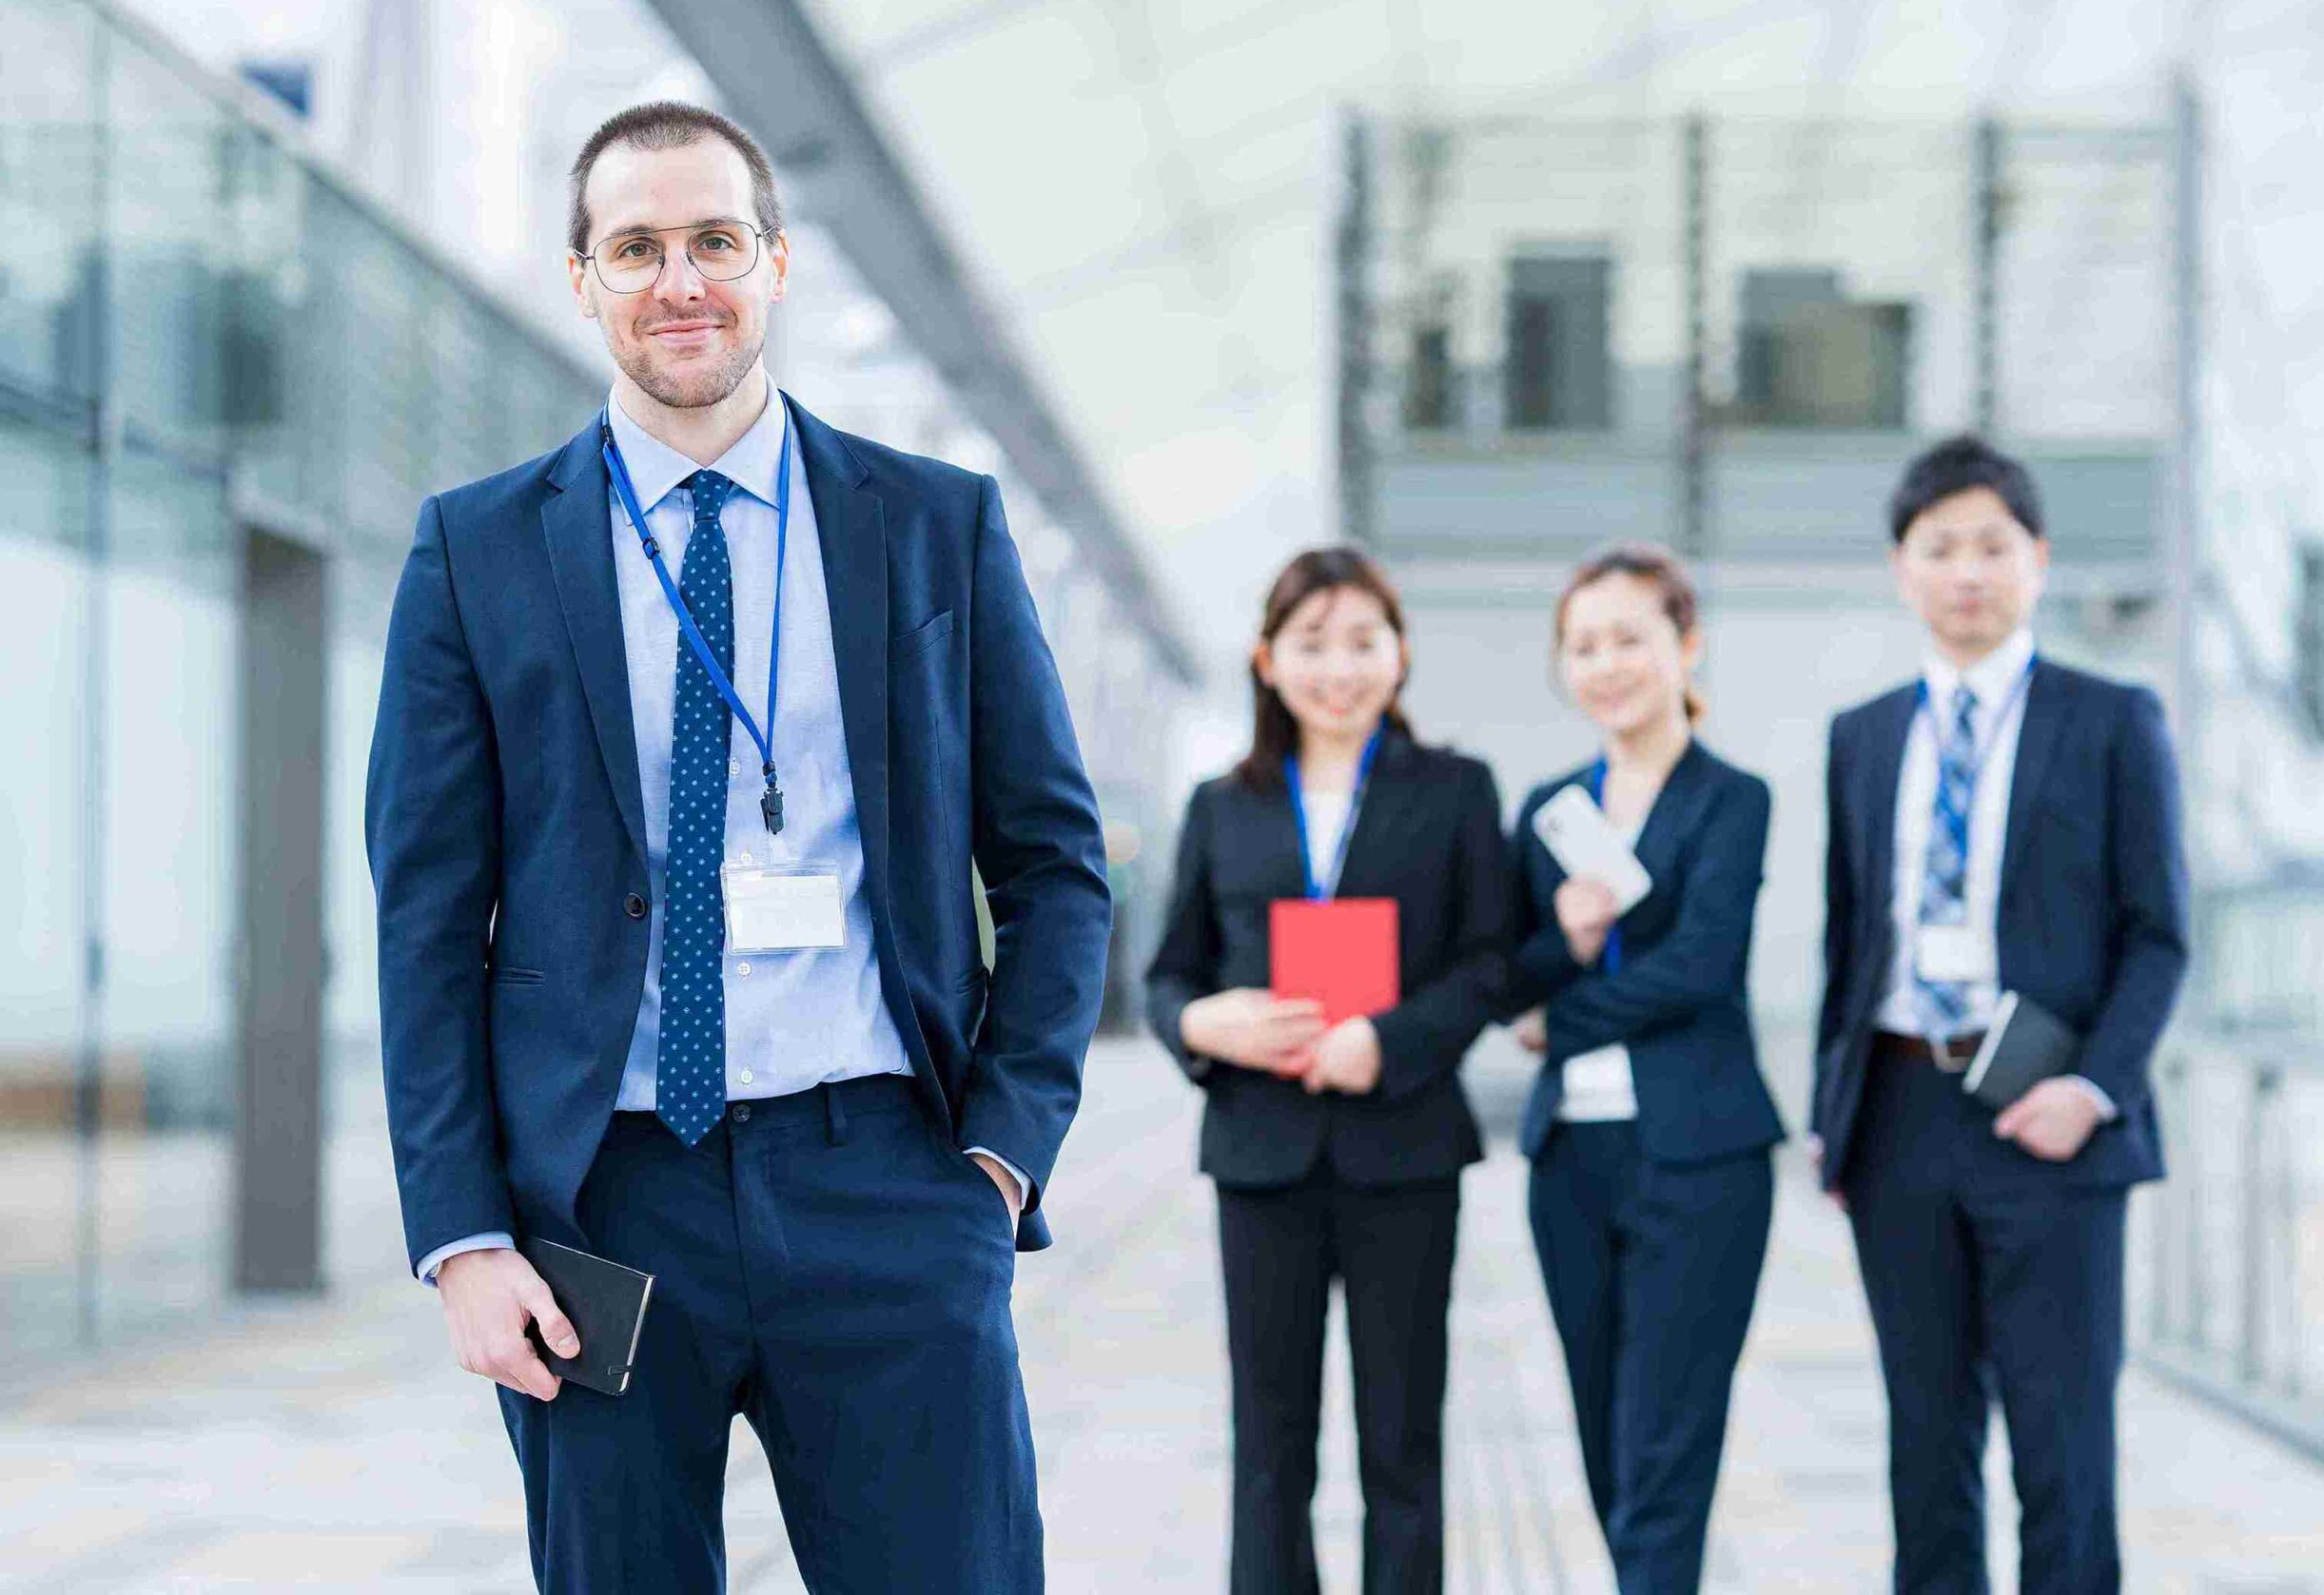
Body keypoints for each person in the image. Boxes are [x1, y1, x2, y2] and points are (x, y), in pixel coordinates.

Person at [364, 102, 1108, 1594]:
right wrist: (462, 1234)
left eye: (714, 240)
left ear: (776, 264)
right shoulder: (479, 548)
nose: (679, 281)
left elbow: (1054, 865)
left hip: (889, 1178)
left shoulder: (932, 527)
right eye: (635, 247)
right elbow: (428, 919)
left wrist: (1001, 1158)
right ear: (583, 279)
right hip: (607, 1199)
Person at [1810, 436, 2188, 1595]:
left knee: (2059, 1441)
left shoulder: (2113, 719)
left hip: (2052, 1108)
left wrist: (2091, 1090)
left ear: (2037, 561)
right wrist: (1836, 1119)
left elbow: (2157, 935)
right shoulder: (1863, 735)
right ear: (1901, 568)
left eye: (1990, 547)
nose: (1965, 572)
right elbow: (1848, 936)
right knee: (1925, 1442)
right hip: (1900, 1112)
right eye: (1939, 550)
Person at [1144, 547, 1508, 1595]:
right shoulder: (1224, 805)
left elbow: (1488, 961)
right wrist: (1206, 1023)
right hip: (1262, 1158)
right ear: (1267, 660)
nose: (1338, 668)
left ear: (1400, 657)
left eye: (1363, 642)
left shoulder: (1455, 791)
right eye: (1313, 644)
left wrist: (1387, 1043)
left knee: (1403, 1441)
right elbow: (1171, 976)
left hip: (1403, 1154)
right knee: (1268, 1449)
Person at [1505, 545, 1784, 1591]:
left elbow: (1701, 969)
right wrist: (1563, 950)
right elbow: (1504, 966)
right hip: (1570, 1159)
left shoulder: (1731, 799)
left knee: (1667, 1444)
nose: (1607, 663)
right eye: (1583, 645)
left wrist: (1556, 1017)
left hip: (1700, 1154)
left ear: (1685, 644)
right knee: (1603, 1444)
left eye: (1630, 637)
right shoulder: (1547, 807)